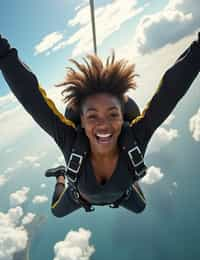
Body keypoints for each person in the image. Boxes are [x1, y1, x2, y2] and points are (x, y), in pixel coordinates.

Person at [0, 33, 199, 217]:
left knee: (141, 208)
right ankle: (61, 175)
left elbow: (169, 93)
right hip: (83, 197)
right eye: (93, 116)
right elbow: (33, 100)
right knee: (56, 211)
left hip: (122, 193)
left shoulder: (136, 136)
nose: (103, 125)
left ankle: (129, 177)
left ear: (123, 118)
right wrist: (3, 54)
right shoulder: (70, 139)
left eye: (112, 114)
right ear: (83, 122)